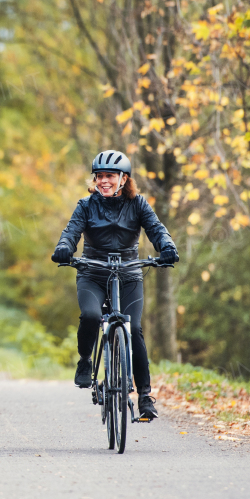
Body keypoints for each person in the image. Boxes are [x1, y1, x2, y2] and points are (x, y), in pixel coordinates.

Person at [51, 150, 179, 420]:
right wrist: (64, 247)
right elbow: (71, 231)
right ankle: (85, 361)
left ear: (124, 179)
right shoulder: (86, 206)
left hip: (129, 274)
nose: (104, 181)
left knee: (133, 329)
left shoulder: (138, 204)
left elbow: (156, 229)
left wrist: (167, 246)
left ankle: (145, 395)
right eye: (99, 176)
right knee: (91, 316)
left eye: (110, 176)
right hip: (93, 272)